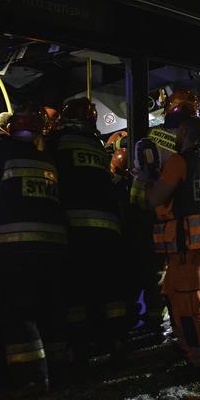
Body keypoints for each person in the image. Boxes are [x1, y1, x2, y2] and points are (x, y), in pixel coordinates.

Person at [0, 104, 69, 395]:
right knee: (49, 309)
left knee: (18, 313)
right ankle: (60, 370)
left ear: (10, 128)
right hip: (53, 248)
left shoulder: (0, 153)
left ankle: (32, 379)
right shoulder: (49, 159)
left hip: (16, 248)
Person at [144, 116, 200, 380]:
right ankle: (189, 348)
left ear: (185, 132)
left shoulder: (178, 162)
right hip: (195, 243)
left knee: (189, 303)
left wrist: (147, 178)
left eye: (178, 132)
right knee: (175, 295)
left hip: (186, 243)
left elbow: (155, 199)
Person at [51, 97, 125, 363]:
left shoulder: (58, 141)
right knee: (109, 288)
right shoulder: (96, 144)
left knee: (77, 289)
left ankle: (80, 345)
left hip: (76, 227)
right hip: (108, 228)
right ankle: (116, 340)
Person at [126, 90, 200, 334]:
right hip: (178, 220)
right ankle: (169, 321)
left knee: (152, 270)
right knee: (172, 274)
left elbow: (141, 178)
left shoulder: (151, 138)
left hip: (148, 212)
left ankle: (154, 320)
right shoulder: (196, 150)